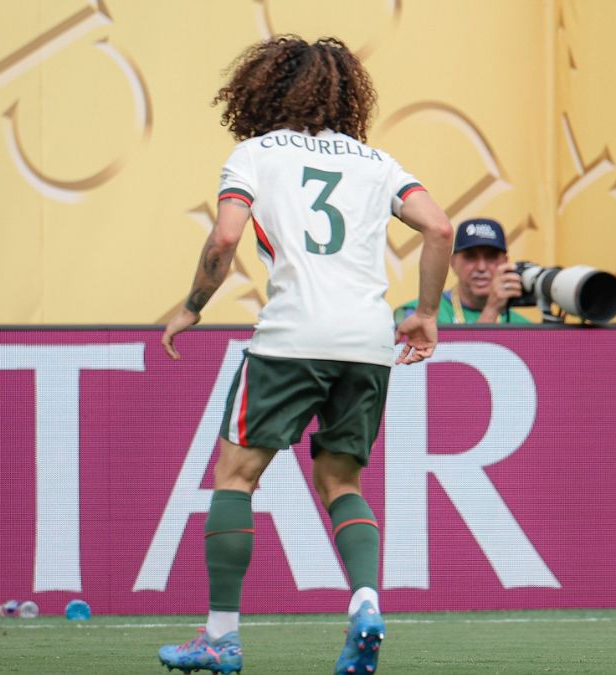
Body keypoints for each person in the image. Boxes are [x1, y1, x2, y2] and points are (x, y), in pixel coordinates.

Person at [157, 35, 453, 675]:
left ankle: (220, 638)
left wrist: (192, 306)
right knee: (342, 482)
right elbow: (440, 227)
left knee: (237, 477)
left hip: (291, 336)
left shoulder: (254, 155)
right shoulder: (378, 162)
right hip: (369, 343)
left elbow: (226, 237)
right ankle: (367, 604)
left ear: (260, 90)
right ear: (346, 94)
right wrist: (425, 313)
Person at [394, 217, 533, 324]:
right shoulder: (417, 314)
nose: (481, 267)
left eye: (491, 257)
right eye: (470, 257)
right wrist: (491, 310)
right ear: (453, 262)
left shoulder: (522, 326)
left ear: (505, 262)